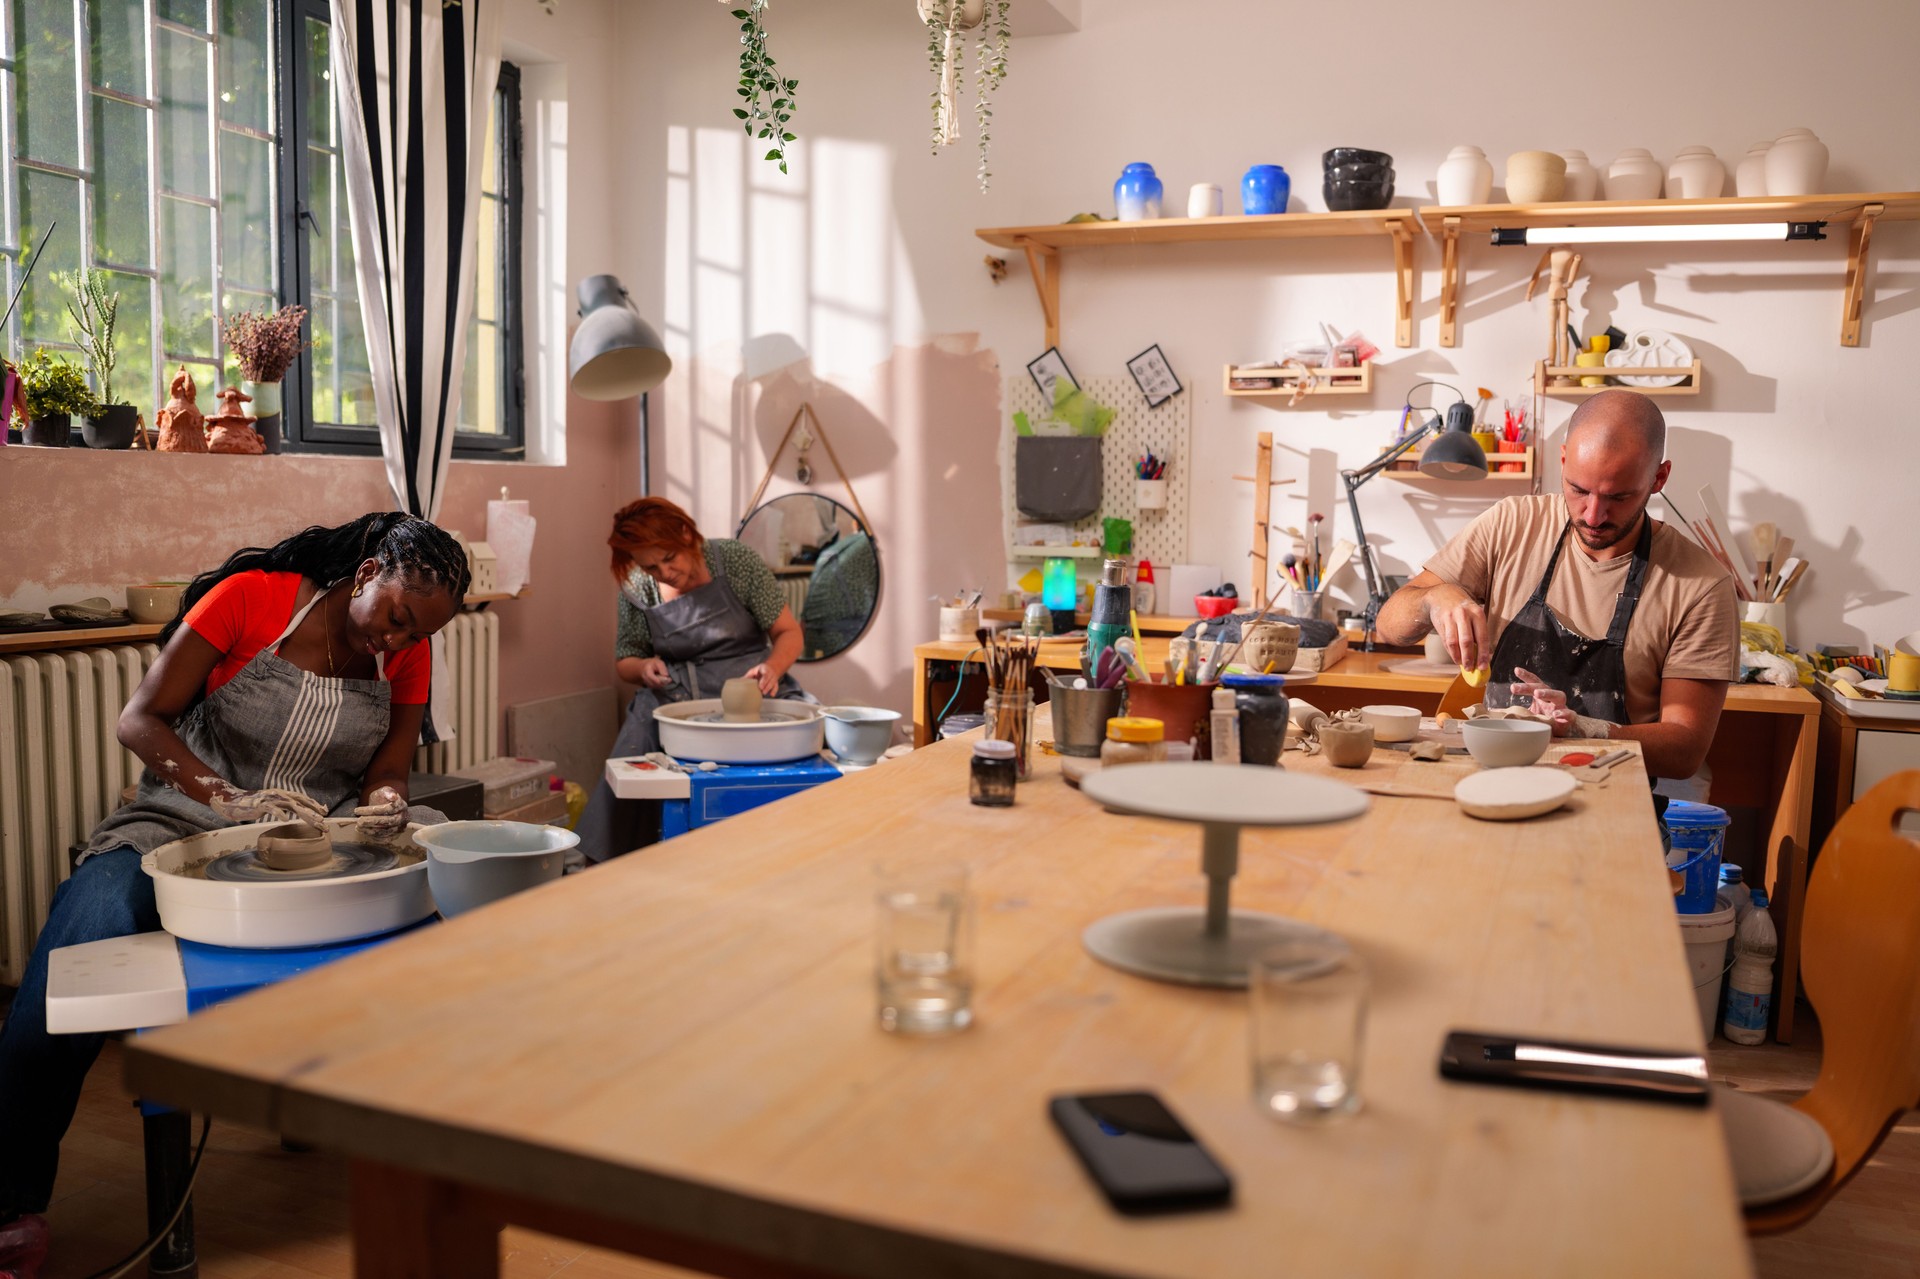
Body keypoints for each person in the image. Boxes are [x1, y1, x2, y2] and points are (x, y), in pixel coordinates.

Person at [0, 513, 470, 1277]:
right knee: (84, 934)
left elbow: (388, 770)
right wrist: (224, 796)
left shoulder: (406, 653)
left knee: (445, 887)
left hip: (318, 832)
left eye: (417, 634)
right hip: (182, 817)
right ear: (366, 574)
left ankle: (431, 1144)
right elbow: (139, 719)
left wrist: (386, 801)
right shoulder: (253, 597)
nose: (398, 640)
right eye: (395, 617)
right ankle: (11, 1196)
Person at [1376, 389, 1738, 790]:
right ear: (1563, 460)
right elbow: (1388, 626)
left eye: (1618, 497)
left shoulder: (1701, 585)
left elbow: (1685, 750)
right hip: (1490, 784)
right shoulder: (1511, 526)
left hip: (1610, 799)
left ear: (1659, 478)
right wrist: (1433, 599)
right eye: (1578, 489)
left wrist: (1585, 729)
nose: (1593, 515)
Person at [575, 497, 808, 863]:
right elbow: (625, 661)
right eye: (651, 567)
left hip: (753, 686)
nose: (664, 572)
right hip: (677, 694)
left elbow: (789, 632)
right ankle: (607, 865)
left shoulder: (734, 560)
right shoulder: (639, 585)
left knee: (808, 742)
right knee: (634, 749)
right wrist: (644, 667)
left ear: (686, 534)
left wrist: (774, 668)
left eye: (669, 558)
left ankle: (796, 847)